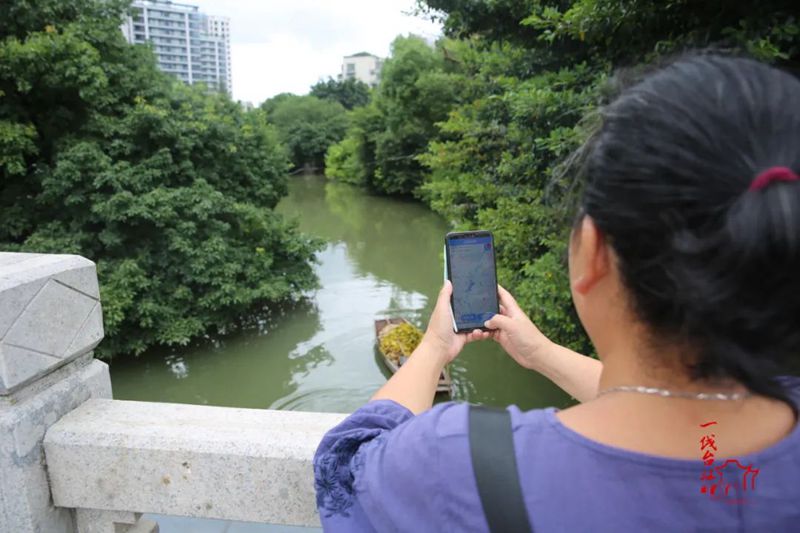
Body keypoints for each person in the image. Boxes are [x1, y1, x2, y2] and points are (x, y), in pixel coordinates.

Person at [312, 54, 800, 532]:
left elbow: (347, 460)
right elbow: (684, 421)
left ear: (593, 251)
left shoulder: (462, 464)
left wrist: (436, 347)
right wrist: (541, 353)